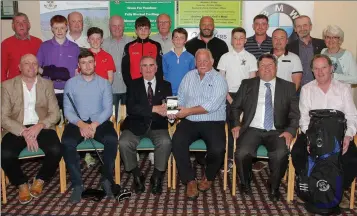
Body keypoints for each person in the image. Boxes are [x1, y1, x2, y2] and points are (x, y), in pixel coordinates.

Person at [230, 53, 299, 201]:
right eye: (262, 66)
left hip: (277, 130)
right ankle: (245, 182)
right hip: (252, 129)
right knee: (242, 153)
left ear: (276, 67)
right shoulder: (247, 84)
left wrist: (290, 131)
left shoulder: (288, 87)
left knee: (281, 154)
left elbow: (295, 114)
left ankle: (274, 186)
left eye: (270, 65)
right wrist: (236, 124)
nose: (266, 68)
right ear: (257, 69)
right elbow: (235, 107)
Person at [291, 54, 357, 209]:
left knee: (352, 158)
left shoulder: (344, 89)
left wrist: (348, 136)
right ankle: (308, 187)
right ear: (312, 71)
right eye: (316, 69)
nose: (320, 72)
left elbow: (352, 116)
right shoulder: (307, 89)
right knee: (298, 153)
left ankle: (338, 190)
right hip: (312, 134)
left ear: (331, 69)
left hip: (338, 135)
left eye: (324, 68)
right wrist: (309, 139)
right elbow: (304, 118)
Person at [1, 54, 62, 204]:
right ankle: (21, 183)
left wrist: (39, 126)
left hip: (42, 126)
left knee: (56, 149)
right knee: (5, 153)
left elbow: (55, 113)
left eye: (34, 63)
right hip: (16, 128)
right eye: (26, 63)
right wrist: (24, 131)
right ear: (19, 67)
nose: (31, 66)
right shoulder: (7, 85)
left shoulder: (46, 84)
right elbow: (3, 117)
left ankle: (41, 179)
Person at [171, 49, 228, 200]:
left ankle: (208, 177)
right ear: (195, 62)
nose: (202, 64)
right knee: (177, 141)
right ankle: (189, 180)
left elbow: (211, 106)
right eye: (199, 61)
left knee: (218, 148)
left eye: (205, 60)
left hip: (213, 121)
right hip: (190, 121)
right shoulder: (189, 76)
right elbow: (180, 98)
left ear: (212, 62)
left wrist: (187, 111)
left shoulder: (219, 79)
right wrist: (172, 111)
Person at [62, 50, 118, 203]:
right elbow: (67, 110)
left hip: (99, 122)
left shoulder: (104, 83)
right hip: (77, 122)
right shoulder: (71, 83)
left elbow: (107, 109)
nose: (87, 65)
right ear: (78, 66)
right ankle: (78, 184)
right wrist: (81, 125)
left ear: (95, 63)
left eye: (90, 62)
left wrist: (93, 125)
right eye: (83, 63)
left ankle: (106, 179)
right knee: (67, 142)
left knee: (112, 139)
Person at [119, 56, 172, 194]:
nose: (148, 69)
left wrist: (171, 115)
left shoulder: (166, 85)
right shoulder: (133, 85)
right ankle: (137, 174)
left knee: (165, 142)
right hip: (135, 124)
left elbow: (170, 107)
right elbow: (131, 108)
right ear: (140, 69)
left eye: (151, 65)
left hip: (158, 125)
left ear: (156, 67)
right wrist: (154, 108)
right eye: (144, 66)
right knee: (124, 142)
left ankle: (157, 176)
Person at [217, 27, 257, 172]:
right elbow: (221, 81)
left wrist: (244, 101)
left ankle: (242, 157)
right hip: (228, 96)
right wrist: (229, 98)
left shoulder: (251, 58)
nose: (238, 41)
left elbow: (253, 82)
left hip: (246, 97)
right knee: (228, 127)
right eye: (236, 38)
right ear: (231, 40)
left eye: (241, 38)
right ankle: (228, 158)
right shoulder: (225, 57)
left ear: (245, 40)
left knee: (244, 128)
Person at [36, 15, 80, 111]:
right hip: (49, 91)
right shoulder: (44, 46)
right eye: (56, 28)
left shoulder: (75, 47)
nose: (59, 31)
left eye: (62, 28)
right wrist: (47, 73)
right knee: (51, 121)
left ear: (67, 28)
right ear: (51, 29)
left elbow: (79, 69)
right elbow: (36, 66)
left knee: (71, 122)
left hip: (70, 90)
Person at [102, 15, 133, 120]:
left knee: (128, 118)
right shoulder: (103, 44)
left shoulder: (132, 42)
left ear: (124, 26)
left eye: (120, 25)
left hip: (129, 88)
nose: (117, 28)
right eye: (114, 26)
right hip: (111, 89)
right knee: (111, 118)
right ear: (109, 27)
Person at [122, 16, 163, 88]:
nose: (143, 31)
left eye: (146, 29)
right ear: (136, 31)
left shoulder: (156, 46)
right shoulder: (129, 46)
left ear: (150, 31)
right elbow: (125, 69)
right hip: (134, 86)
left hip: (152, 86)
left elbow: (159, 68)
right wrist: (130, 85)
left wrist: (157, 85)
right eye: (140, 29)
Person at [1, 12, 42, 82]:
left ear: (28, 25)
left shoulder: (38, 42)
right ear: (13, 26)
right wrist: (3, 88)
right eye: (17, 23)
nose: (21, 25)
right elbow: (2, 69)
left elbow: (41, 67)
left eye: (24, 22)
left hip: (34, 85)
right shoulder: (5, 44)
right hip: (13, 86)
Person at [288, 15, 326, 87]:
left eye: (305, 25)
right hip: (297, 90)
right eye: (299, 26)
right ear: (295, 29)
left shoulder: (323, 45)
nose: (302, 28)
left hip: (319, 88)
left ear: (310, 27)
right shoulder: (289, 48)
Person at [163, 27, 195, 96]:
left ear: (185, 41)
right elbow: (164, 76)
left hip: (186, 92)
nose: (178, 40)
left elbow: (192, 77)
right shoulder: (165, 57)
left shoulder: (191, 57)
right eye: (176, 37)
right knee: (171, 107)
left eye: (181, 38)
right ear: (172, 40)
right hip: (169, 92)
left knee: (184, 107)